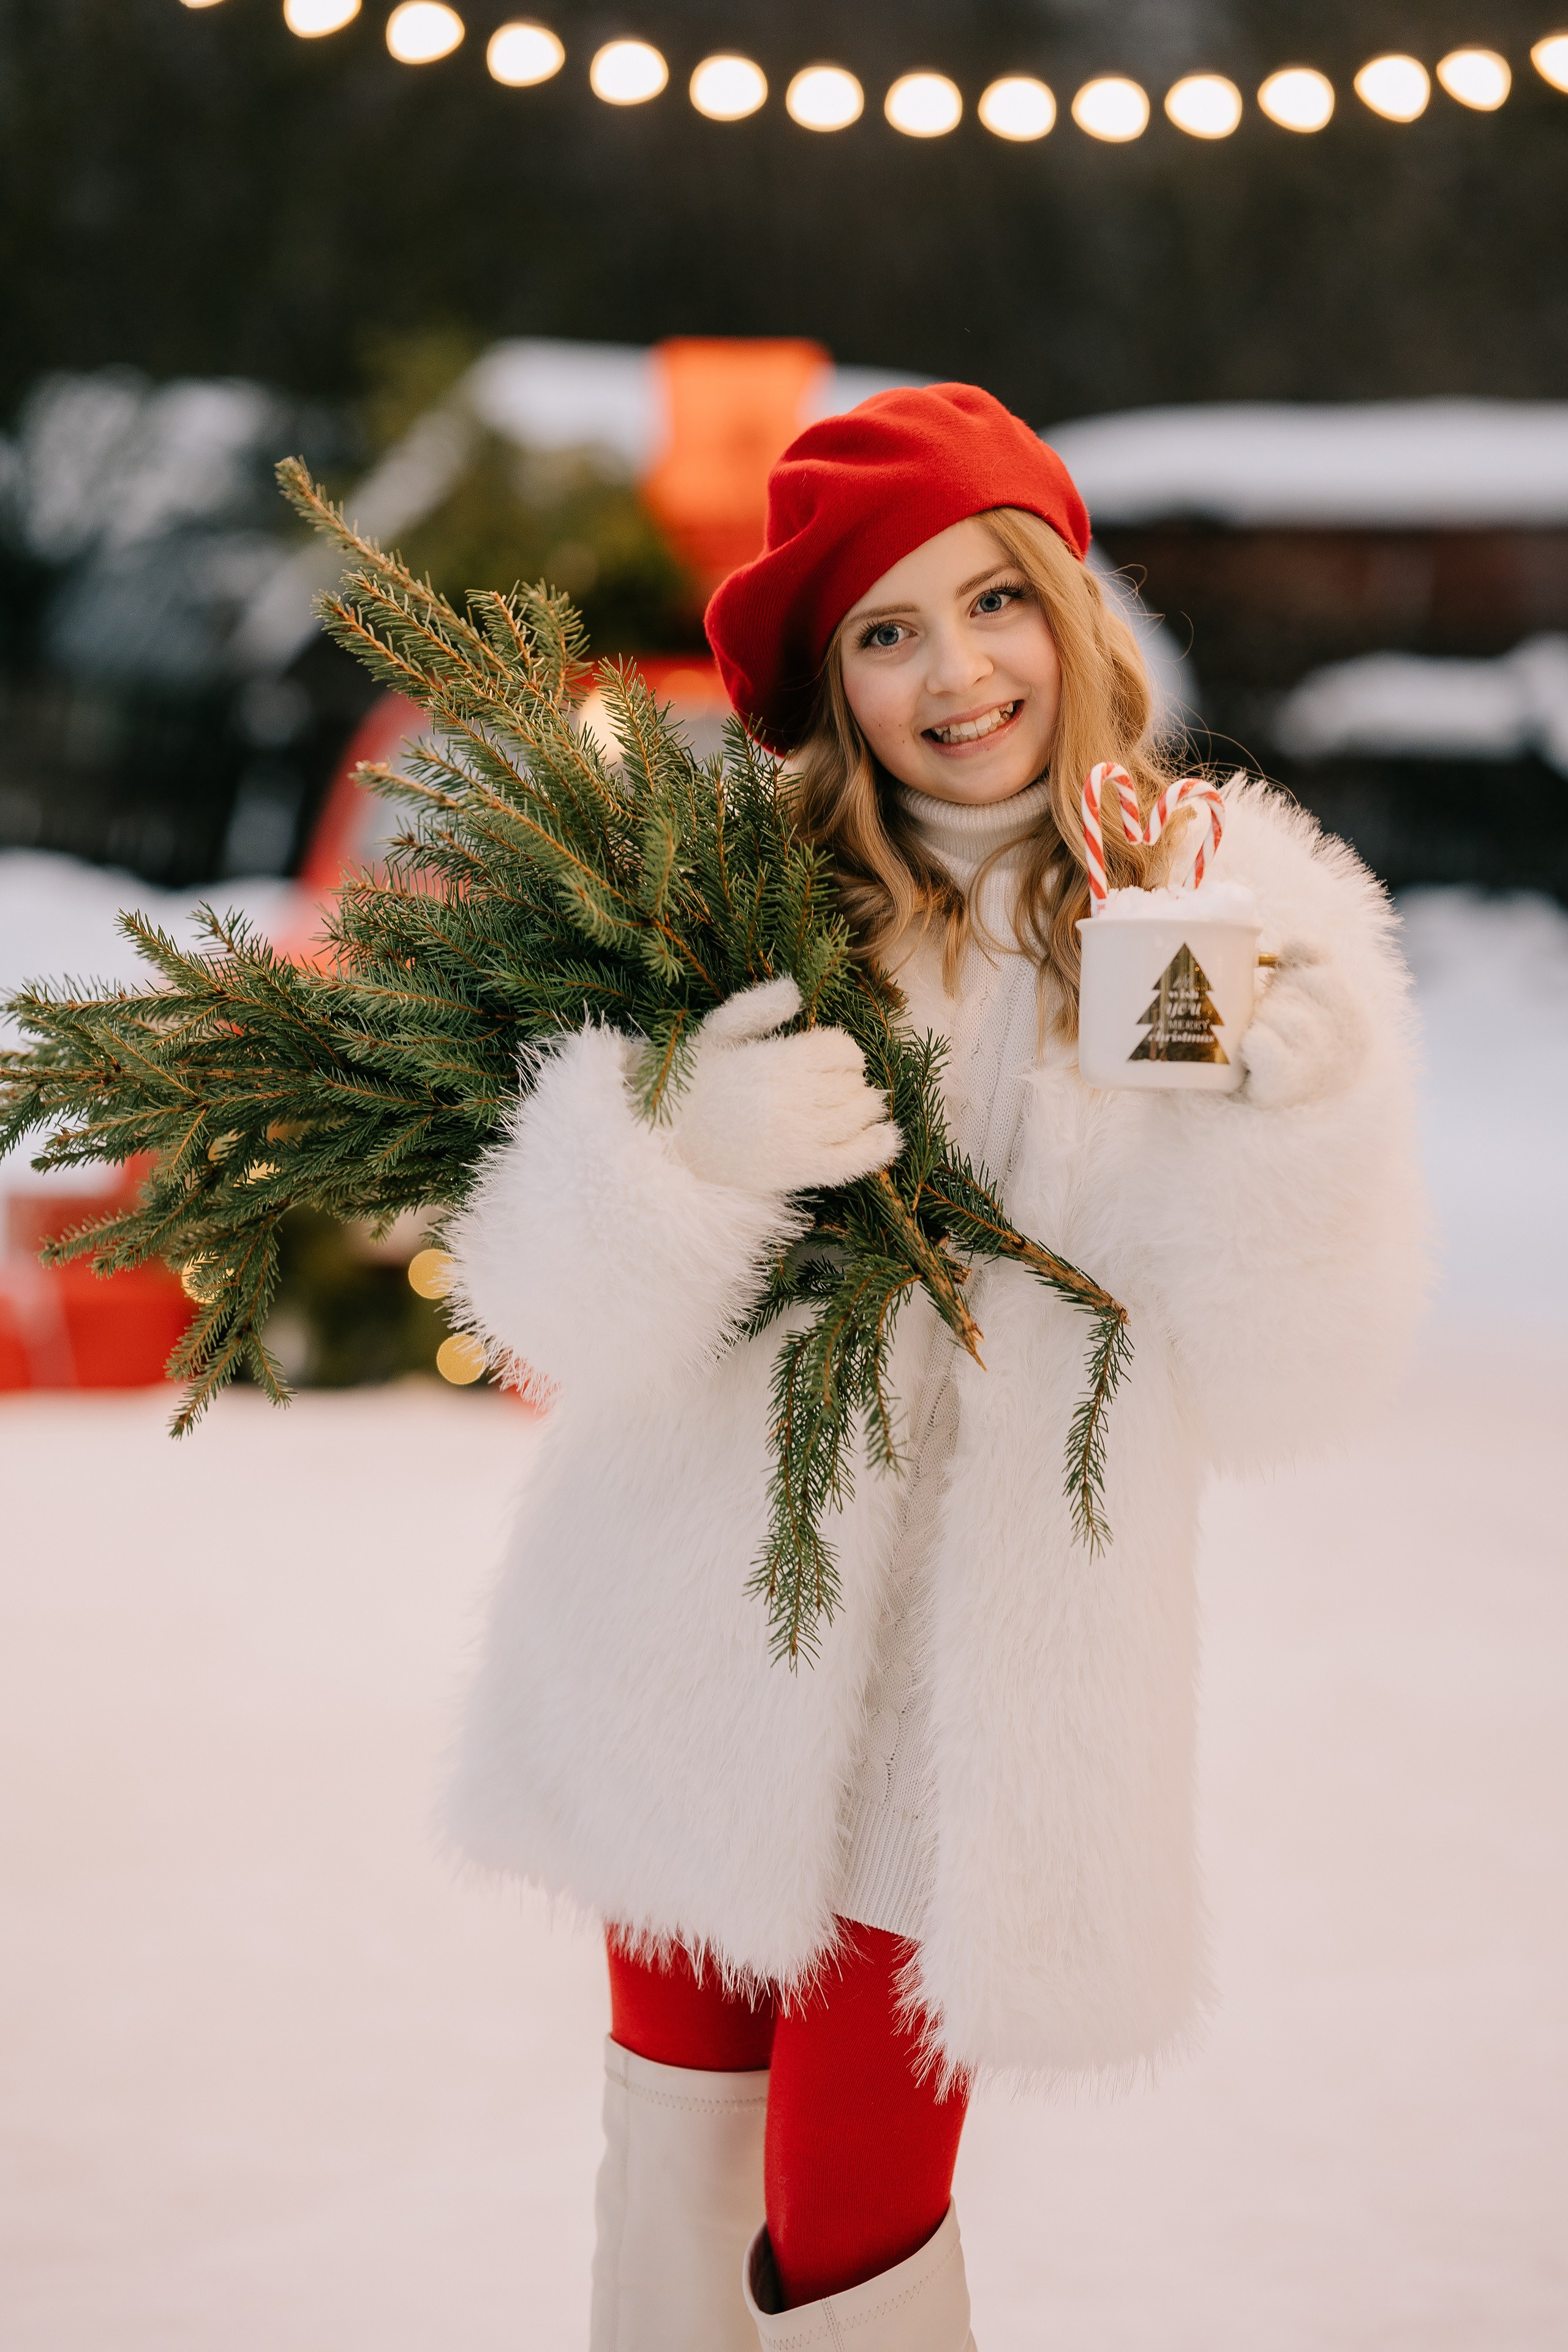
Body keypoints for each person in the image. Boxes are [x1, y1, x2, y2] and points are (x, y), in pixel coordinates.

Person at [444, 384, 1425, 2351]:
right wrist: (673, 1154)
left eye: (987, 602)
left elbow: (1286, 1368)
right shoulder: (731, 893)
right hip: (689, 1634)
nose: (956, 671)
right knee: (677, 2173)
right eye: (886, 633)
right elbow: (551, 1305)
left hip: (991, 1692)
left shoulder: (1223, 891)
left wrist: (1273, 1094)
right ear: (832, 684)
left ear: (1064, 608)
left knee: (854, 2213)